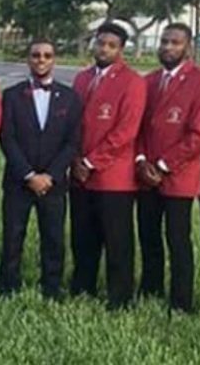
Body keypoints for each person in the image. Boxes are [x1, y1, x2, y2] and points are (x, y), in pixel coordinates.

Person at [134, 23, 200, 313]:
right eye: (164, 41)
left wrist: (163, 165)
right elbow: (138, 127)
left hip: (179, 175)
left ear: (188, 47)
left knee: (178, 239)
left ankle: (181, 301)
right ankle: (150, 288)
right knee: (148, 234)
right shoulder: (149, 81)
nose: (168, 47)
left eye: (175, 42)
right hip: (145, 175)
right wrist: (141, 160)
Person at [70, 22, 146, 310]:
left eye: (111, 45)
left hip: (113, 176)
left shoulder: (132, 82)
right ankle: (82, 287)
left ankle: (120, 296)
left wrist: (91, 161)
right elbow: (72, 123)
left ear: (121, 49)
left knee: (117, 240)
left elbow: (126, 131)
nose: (104, 49)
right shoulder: (82, 78)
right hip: (80, 174)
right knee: (82, 236)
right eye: (100, 43)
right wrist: (75, 159)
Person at [0, 39, 81, 300]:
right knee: (13, 236)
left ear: (54, 59)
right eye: (36, 55)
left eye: (47, 55)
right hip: (18, 180)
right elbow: (7, 138)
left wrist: (51, 175)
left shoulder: (70, 97)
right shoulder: (12, 95)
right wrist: (29, 175)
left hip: (54, 182)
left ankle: (52, 288)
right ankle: (8, 286)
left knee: (53, 237)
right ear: (28, 59)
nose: (41, 60)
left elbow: (72, 142)